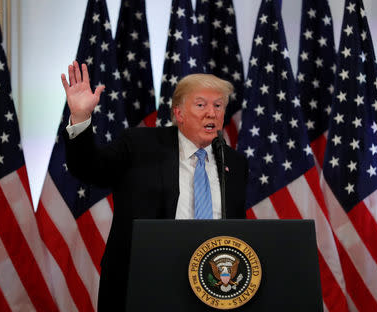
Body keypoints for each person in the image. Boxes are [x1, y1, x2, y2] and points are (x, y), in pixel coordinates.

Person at [61, 61, 248, 311]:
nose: (211, 113)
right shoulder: (139, 145)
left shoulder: (234, 162)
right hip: (144, 285)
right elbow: (88, 168)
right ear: (179, 113)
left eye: (218, 105)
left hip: (213, 286)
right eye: (201, 105)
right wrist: (81, 117)